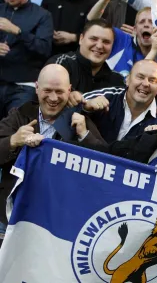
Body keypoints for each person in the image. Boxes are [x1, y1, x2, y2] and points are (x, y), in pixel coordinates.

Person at [0, 64, 107, 244]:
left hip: (55, 221)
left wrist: (84, 136)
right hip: (12, 214)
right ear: (36, 88)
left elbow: (105, 166)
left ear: (69, 90)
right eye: (47, 90)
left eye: (59, 91)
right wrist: (13, 141)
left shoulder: (79, 120)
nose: (53, 98)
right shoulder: (20, 115)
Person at [69, 60, 157, 143]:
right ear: (127, 80)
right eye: (140, 77)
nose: (145, 84)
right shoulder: (107, 95)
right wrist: (86, 107)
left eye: (152, 80)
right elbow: (69, 108)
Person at [0, 0, 53, 120]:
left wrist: (17, 31)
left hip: (23, 86)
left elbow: (44, 49)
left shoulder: (42, 15)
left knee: (16, 129)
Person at [87, 0, 155, 78]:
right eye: (142, 22)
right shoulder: (122, 39)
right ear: (135, 28)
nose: (146, 25)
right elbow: (92, 23)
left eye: (151, 22)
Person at [46, 19, 124, 94]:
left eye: (106, 42)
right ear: (81, 39)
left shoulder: (117, 81)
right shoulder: (60, 65)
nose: (99, 46)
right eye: (94, 39)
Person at [41, 0, 106, 55]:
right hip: (47, 54)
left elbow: (96, 30)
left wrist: (74, 37)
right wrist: (48, 33)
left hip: (76, 56)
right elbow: (39, 23)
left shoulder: (93, 1)